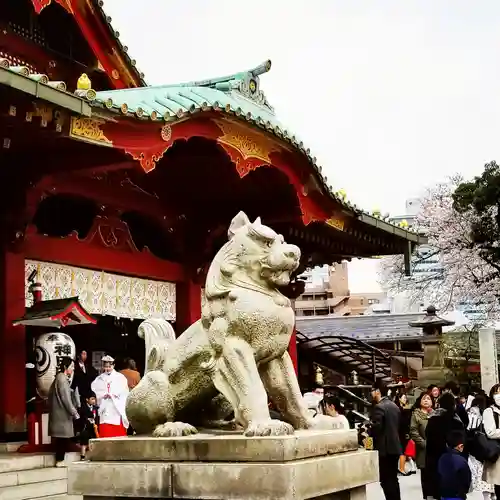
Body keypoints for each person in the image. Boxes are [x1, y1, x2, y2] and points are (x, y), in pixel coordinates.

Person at [425, 392, 465, 500]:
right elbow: (460, 441)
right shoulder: (455, 419)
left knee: (435, 489)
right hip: (451, 459)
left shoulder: (433, 418)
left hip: (433, 459)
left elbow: (427, 435)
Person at [369, 379, 402, 500]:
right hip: (395, 447)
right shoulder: (394, 406)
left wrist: (368, 431)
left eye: (372, 390)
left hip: (385, 450)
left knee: (386, 481)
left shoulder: (379, 407)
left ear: (377, 391)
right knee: (393, 479)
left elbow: (377, 429)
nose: (371, 393)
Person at [48, 357, 80, 468]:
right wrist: (74, 412)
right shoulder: (62, 379)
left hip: (60, 413)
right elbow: (65, 398)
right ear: (65, 367)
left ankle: (60, 459)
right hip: (62, 414)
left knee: (62, 438)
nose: (72, 369)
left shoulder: (60, 378)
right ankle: (60, 460)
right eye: (71, 367)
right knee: (62, 438)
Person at [91, 355, 129, 438]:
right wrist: (102, 396)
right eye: (105, 367)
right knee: (105, 431)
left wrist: (114, 395)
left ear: (114, 365)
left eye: (109, 366)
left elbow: (124, 393)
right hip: (104, 408)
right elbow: (95, 391)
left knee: (117, 434)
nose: (107, 368)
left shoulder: (120, 378)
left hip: (116, 408)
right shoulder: (99, 379)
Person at [467, 394, 494, 500]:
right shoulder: (489, 411)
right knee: (488, 474)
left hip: (476, 448)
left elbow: (470, 427)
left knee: (480, 475)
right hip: (489, 448)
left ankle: (487, 496)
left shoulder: (473, 411)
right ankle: (492, 495)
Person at [410, 392, 433, 498]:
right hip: (423, 450)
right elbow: (413, 431)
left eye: (428, 398)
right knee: (426, 476)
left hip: (436, 449)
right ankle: (427, 496)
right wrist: (423, 443)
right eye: (424, 398)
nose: (426, 400)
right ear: (420, 401)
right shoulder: (416, 414)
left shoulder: (435, 413)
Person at [437, 429, 471, 500]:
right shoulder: (462, 461)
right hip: (457, 495)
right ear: (460, 446)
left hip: (443, 494)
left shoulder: (442, 458)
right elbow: (467, 480)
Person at [482, 383, 500, 498]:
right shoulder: (489, 412)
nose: (499, 395)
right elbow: (490, 432)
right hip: (498, 454)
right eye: (497, 393)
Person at [77, 391, 99, 460]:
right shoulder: (82, 408)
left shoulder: (95, 408)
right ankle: (82, 456)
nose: (94, 401)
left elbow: (97, 417)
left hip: (93, 428)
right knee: (84, 443)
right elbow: (80, 419)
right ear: (87, 399)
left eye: (94, 399)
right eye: (92, 399)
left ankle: (92, 456)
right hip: (85, 427)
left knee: (93, 442)